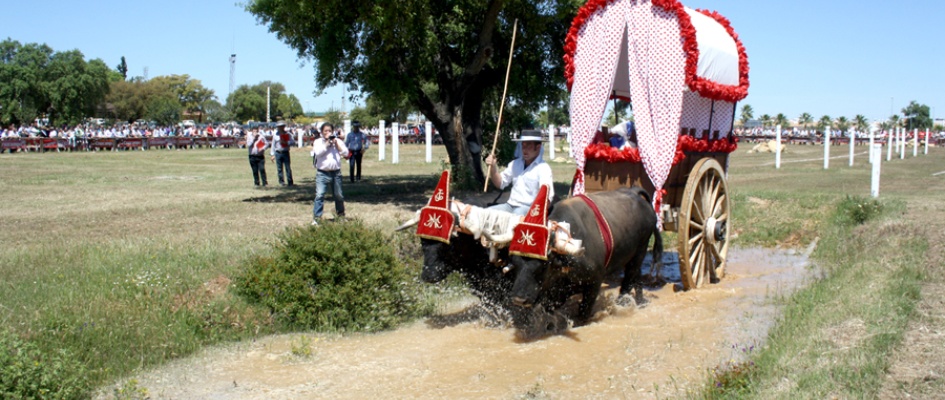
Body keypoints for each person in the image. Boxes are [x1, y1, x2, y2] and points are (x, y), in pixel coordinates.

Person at [484, 129, 555, 216]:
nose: (524, 149)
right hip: (509, 206)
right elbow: (500, 183)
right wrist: (493, 168)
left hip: (529, 208)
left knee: (515, 216)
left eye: (529, 146)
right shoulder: (515, 164)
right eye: (523, 145)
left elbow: (547, 197)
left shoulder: (543, 168)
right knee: (485, 214)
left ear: (538, 147)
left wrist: (537, 214)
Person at [311, 123, 349, 225]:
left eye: (330, 131)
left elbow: (346, 153)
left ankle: (341, 215)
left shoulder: (338, 141)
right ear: (322, 132)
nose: (328, 133)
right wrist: (327, 143)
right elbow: (318, 153)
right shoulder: (318, 142)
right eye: (325, 131)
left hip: (336, 173)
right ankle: (317, 219)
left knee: (339, 195)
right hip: (322, 173)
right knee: (320, 195)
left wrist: (336, 144)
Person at [269, 121, 296, 186]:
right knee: (279, 168)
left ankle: (290, 182)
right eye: (279, 127)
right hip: (278, 152)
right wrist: (272, 154)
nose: (280, 128)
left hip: (285, 152)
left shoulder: (288, 134)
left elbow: (293, 142)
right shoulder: (275, 135)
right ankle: (281, 182)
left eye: (281, 126)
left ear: (284, 127)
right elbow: (273, 145)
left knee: (288, 168)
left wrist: (287, 142)